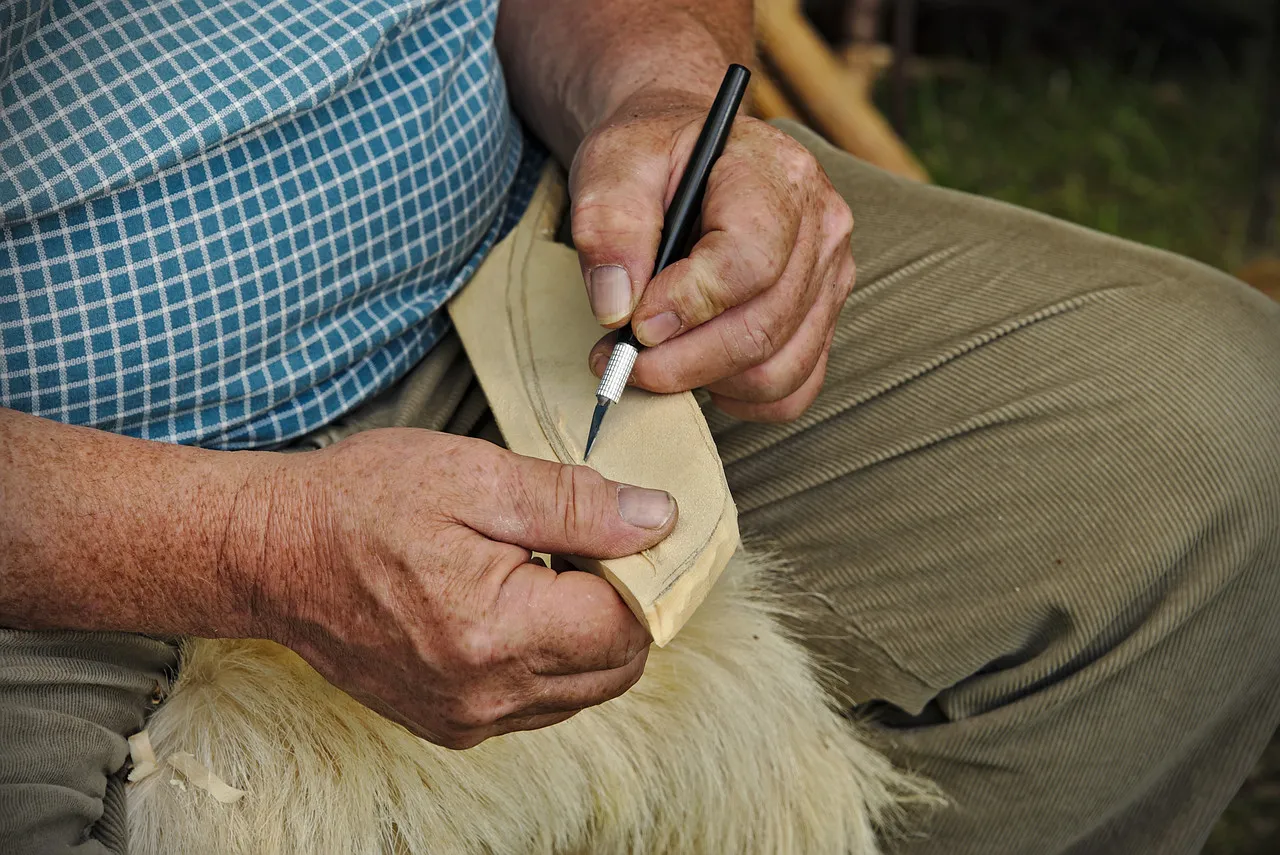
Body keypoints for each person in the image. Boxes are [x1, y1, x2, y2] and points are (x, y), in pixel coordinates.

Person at [1, 1, 1277, 853]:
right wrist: (249, 547)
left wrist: (659, 92)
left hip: (538, 264)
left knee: (1217, 440)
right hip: (64, 488)